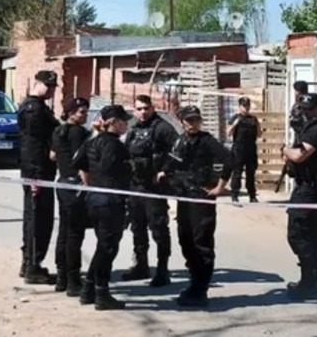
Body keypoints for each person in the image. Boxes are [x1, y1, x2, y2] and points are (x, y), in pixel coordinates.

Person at [165, 105, 232, 308]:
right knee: (185, 240)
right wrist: (163, 172)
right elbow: (174, 160)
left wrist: (220, 187)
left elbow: (229, 159)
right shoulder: (182, 140)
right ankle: (194, 284)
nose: (193, 124)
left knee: (201, 241)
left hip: (201, 197)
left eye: (196, 120)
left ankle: (200, 289)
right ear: (182, 122)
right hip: (185, 196)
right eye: (189, 120)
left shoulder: (206, 140)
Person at [281, 93, 317, 300]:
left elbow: (298, 155)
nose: (305, 113)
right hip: (307, 185)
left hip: (311, 189)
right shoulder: (311, 128)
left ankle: (310, 282)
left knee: (300, 233)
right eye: (303, 109)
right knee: (308, 233)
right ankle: (310, 280)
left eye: (309, 109)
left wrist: (285, 149)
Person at [121, 94, 178, 287]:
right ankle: (141, 265)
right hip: (135, 186)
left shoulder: (162, 128)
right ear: (134, 110)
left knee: (159, 229)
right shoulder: (133, 128)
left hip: (154, 187)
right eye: (139, 109)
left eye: (146, 108)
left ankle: (162, 270)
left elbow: (179, 150)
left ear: (152, 108)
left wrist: (165, 170)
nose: (143, 112)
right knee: (137, 227)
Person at [79, 104, 132, 310]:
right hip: (109, 200)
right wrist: (128, 169)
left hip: (95, 198)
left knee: (104, 246)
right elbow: (108, 167)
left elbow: (80, 163)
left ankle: (89, 288)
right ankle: (101, 293)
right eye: (124, 121)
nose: (126, 125)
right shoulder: (113, 144)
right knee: (108, 248)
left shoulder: (93, 140)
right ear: (113, 123)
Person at [17, 70, 60, 285]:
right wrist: (35, 177)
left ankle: (29, 263)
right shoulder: (34, 110)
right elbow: (33, 146)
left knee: (36, 218)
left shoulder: (38, 107)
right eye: (48, 85)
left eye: (53, 86)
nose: (51, 90)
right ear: (37, 84)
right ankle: (32, 266)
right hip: (37, 171)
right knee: (38, 220)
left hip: (40, 170)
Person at [50, 97, 91, 296]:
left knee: (64, 232)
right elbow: (81, 162)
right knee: (75, 234)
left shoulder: (58, 131)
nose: (85, 115)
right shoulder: (78, 133)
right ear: (71, 113)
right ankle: (73, 280)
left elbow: (52, 156)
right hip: (75, 186)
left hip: (63, 183)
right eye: (82, 112)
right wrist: (88, 185)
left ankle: (62, 277)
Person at [226, 97, 262, 203]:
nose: (246, 108)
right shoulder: (235, 118)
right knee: (237, 173)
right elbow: (228, 133)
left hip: (251, 149)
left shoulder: (253, 119)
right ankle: (234, 195)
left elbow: (259, 134)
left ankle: (252, 196)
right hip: (239, 149)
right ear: (239, 106)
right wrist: (235, 124)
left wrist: (258, 125)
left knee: (251, 173)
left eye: (247, 105)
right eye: (244, 105)